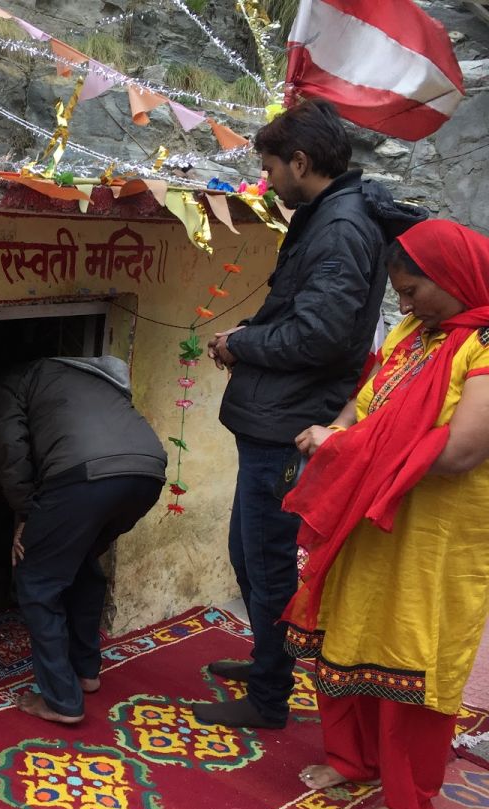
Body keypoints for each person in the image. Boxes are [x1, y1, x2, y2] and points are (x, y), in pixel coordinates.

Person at [199, 100, 425, 729]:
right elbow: (303, 316)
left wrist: (240, 343)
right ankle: (266, 662)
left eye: (271, 169)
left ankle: (270, 696)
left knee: (267, 560)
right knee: (249, 555)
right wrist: (249, 333)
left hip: (288, 421)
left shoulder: (339, 228)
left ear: (300, 162)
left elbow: (321, 335)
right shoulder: (330, 218)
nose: (268, 182)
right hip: (275, 412)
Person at [281, 219, 489, 809]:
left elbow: (461, 450)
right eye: (397, 292)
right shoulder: (413, 332)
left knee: (414, 658)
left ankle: (407, 803)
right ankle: (355, 759)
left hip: (435, 539)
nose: (403, 304)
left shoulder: (482, 346)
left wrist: (346, 450)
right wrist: (340, 432)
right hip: (369, 515)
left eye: (413, 290)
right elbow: (364, 400)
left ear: (455, 279)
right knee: (347, 630)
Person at [0, 356, 166, 724]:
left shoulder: (14, 379)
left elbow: (10, 447)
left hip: (83, 476)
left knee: (36, 579)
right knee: (81, 560)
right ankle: (86, 671)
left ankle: (61, 700)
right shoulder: (96, 381)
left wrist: (26, 514)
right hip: (147, 474)